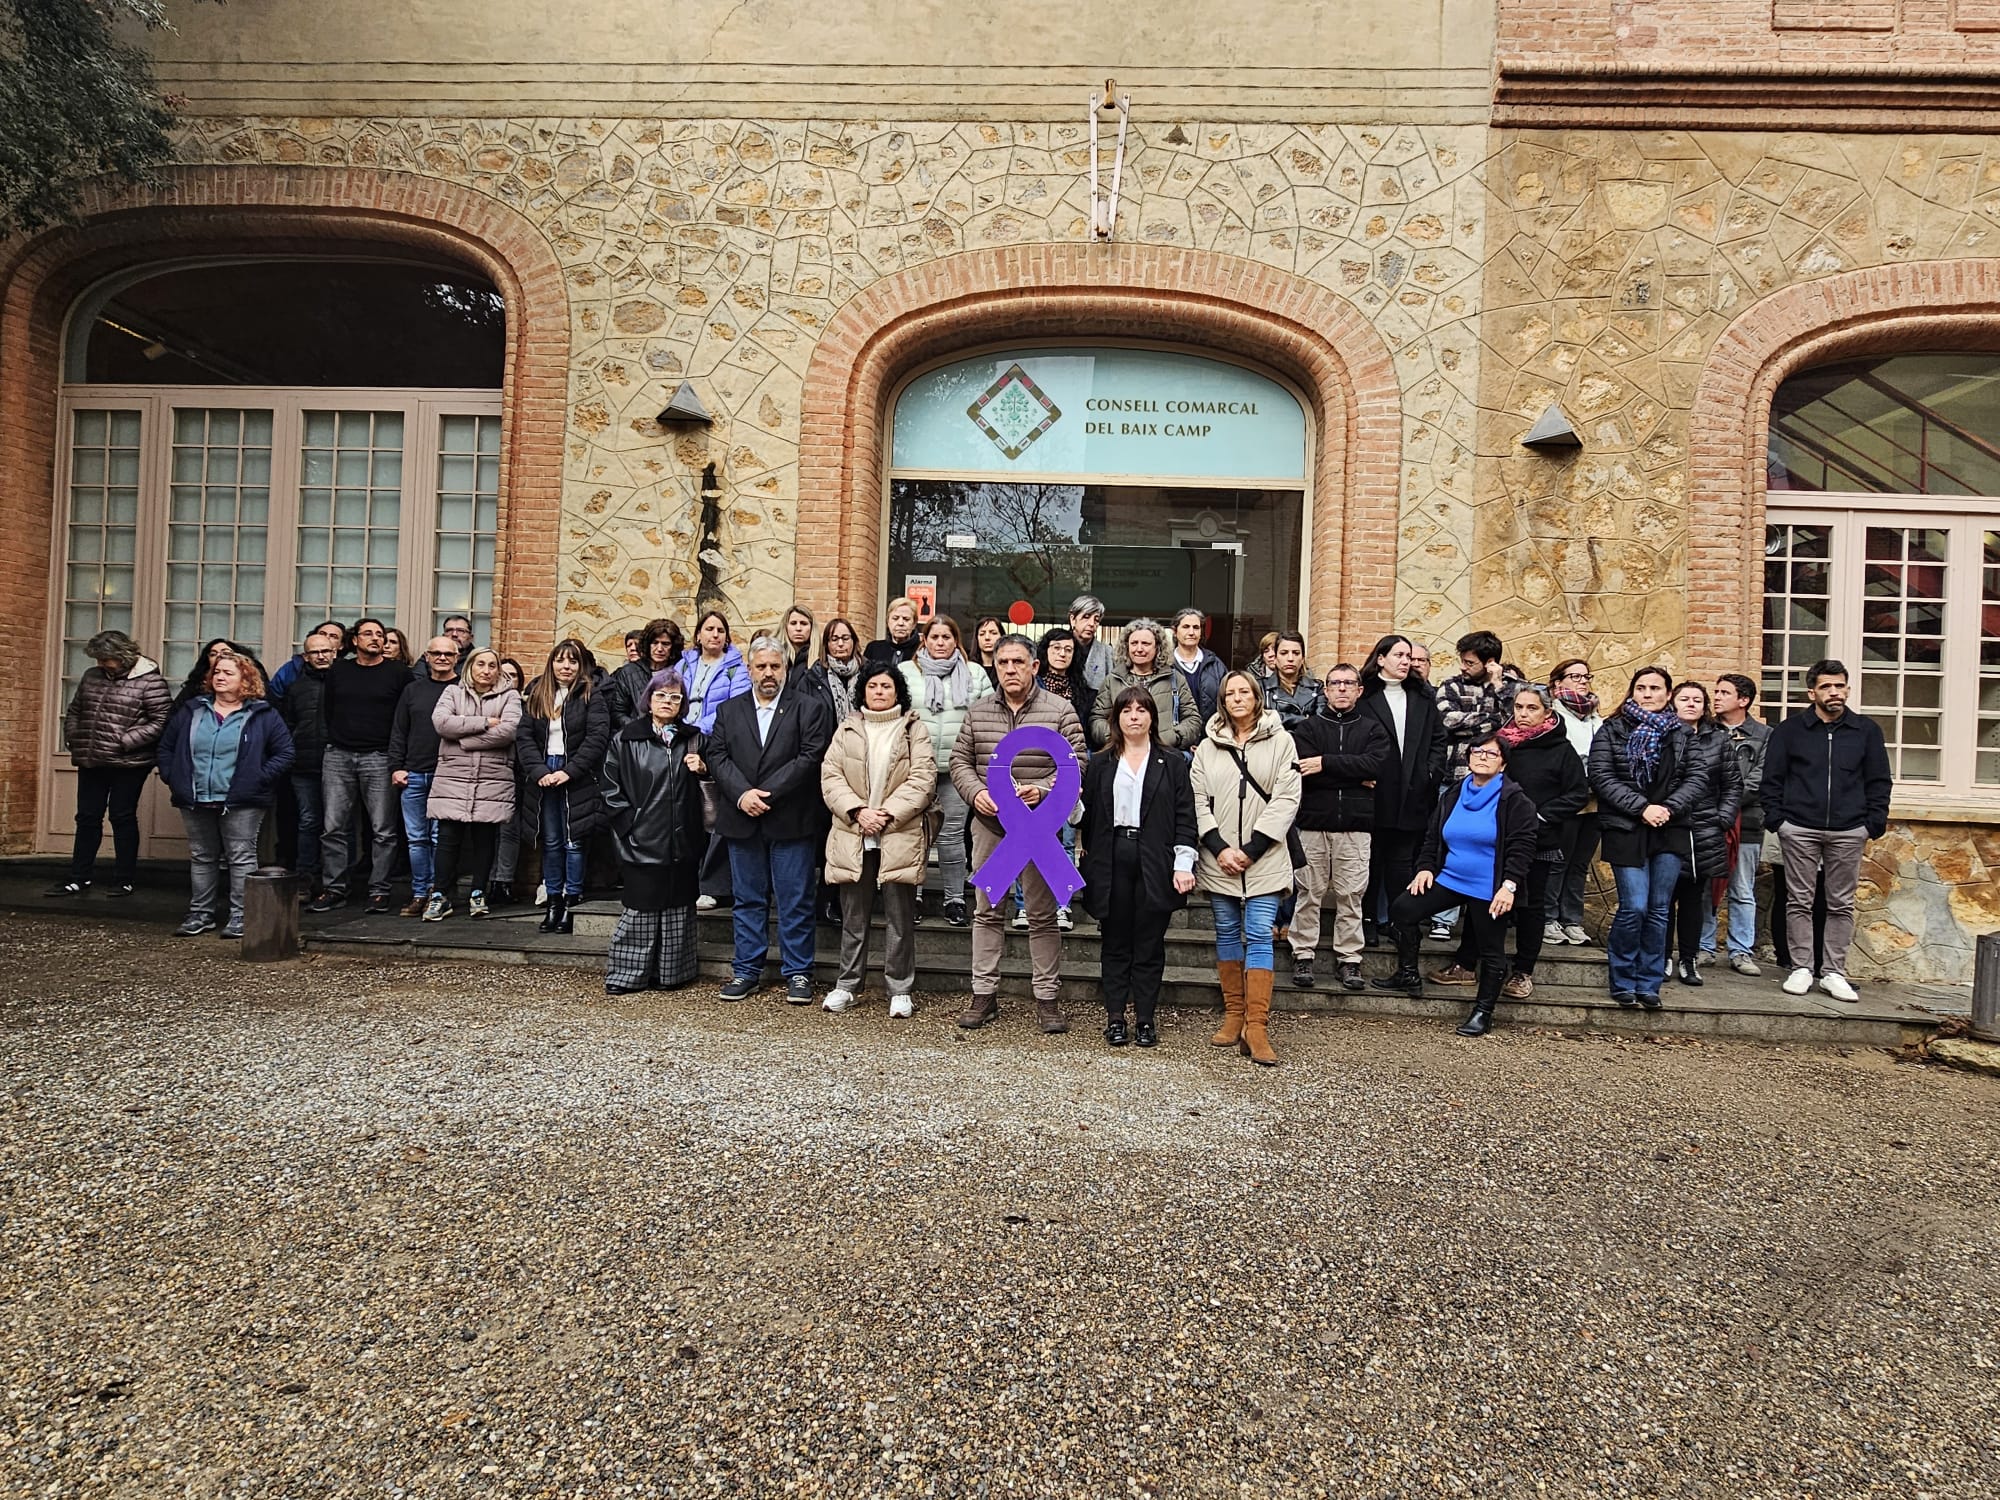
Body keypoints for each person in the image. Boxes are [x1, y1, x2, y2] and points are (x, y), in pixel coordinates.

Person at [950, 633, 1088, 1033]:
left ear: (1034, 667)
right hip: (992, 825)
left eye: (1017, 662)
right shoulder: (977, 712)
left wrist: (1044, 790)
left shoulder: (1060, 710)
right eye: (1002, 663)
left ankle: (1046, 1000)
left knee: (1043, 916)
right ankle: (984, 995)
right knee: (987, 912)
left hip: (1040, 828)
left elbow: (1077, 761)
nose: (1010, 669)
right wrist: (976, 794)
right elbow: (960, 760)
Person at [1386, 732, 1539, 1036]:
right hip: (1451, 877)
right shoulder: (1455, 793)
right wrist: (1426, 868)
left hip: (1490, 886)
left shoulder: (1514, 799)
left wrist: (1509, 887)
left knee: (1491, 949)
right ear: (1468, 758)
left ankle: (1483, 1012)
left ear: (1504, 764)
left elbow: (1523, 847)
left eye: (1491, 754)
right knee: (1403, 909)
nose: (1482, 757)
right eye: (1477, 751)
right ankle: (1407, 974)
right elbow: (1433, 836)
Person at [1762, 659, 1892, 1003]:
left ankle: (1834, 972)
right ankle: (1801, 967)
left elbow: (1879, 781)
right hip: (1799, 827)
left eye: (1840, 685)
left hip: (1850, 830)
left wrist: (1872, 824)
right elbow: (1771, 779)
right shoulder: (1790, 731)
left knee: (1840, 904)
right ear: (1812, 692)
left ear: (1847, 689)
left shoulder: (1866, 731)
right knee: (1799, 901)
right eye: (1826, 686)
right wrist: (1779, 821)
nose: (1834, 692)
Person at [710, 636, 831, 1002]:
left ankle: (798, 972)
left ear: (784, 669)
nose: (768, 673)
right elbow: (716, 755)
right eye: (761, 666)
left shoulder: (808, 708)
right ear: (749, 669)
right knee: (747, 899)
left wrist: (767, 794)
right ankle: (747, 970)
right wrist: (743, 794)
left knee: (795, 899)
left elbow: (810, 757)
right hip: (741, 817)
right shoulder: (729, 711)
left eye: (775, 666)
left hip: (790, 818)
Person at [1191, 670, 1301, 1066]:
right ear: (1222, 700)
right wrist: (1219, 847)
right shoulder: (1207, 746)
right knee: (1225, 930)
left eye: (1244, 692)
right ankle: (1233, 1014)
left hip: (1266, 857)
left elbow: (1288, 798)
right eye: (1230, 693)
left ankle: (1256, 1025)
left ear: (1257, 697)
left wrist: (1252, 849)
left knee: (1258, 933)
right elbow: (1198, 800)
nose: (1237, 698)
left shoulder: (1283, 741)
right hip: (1219, 858)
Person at [1080, 686, 1198, 1047]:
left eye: (1141, 709)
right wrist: (1067, 798)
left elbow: (1185, 817)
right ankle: (1115, 1017)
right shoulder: (1099, 763)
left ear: (1152, 716)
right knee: (1115, 942)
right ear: (1116, 718)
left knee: (1149, 944)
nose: (1134, 715)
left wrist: (1183, 865)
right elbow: (1084, 816)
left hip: (1155, 860)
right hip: (1111, 856)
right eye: (1127, 710)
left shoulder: (1173, 762)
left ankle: (1145, 1018)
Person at [819, 660, 935, 1017]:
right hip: (854, 834)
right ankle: (847, 984)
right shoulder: (848, 729)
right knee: (854, 916)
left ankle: (899, 987)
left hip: (898, 833)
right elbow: (831, 776)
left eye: (886, 686)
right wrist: (858, 812)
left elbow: (923, 778)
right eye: (873, 686)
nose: (879, 692)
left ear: (897, 690)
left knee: (900, 918)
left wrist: (886, 814)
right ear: (863, 691)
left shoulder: (914, 729)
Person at [1462, 683, 1588, 1000]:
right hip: (1495, 839)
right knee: (1482, 898)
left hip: (1538, 840)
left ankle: (1522, 972)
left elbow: (1577, 793)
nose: (1523, 714)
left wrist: (1541, 816)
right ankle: (1465, 964)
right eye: (1519, 707)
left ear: (1547, 712)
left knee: (1531, 907)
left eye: (1532, 708)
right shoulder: (1503, 745)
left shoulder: (1561, 750)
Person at [155, 652, 294, 939]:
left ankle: (241, 917)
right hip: (195, 796)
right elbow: (166, 748)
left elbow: (285, 752)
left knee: (241, 857)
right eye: (217, 671)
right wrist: (173, 776)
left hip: (242, 799)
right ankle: (200, 915)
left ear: (246, 679)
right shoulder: (193, 710)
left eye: (228, 673)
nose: (219, 677)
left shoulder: (262, 714)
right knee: (202, 856)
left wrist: (257, 778)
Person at [1588, 666, 1702, 1011]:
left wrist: (1667, 808)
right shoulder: (1613, 729)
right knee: (1634, 905)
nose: (1647, 693)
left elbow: (1698, 777)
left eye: (1655, 688)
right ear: (1632, 692)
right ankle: (1622, 979)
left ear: (1668, 695)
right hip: (1627, 828)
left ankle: (1649, 983)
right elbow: (1601, 775)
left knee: (1658, 909)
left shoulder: (1682, 733)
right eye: (1641, 687)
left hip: (1671, 828)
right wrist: (1642, 808)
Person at [599, 669, 710, 992]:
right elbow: (609, 787)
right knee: (640, 911)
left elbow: (712, 784)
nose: (667, 702)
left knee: (678, 910)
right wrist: (629, 825)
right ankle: (627, 976)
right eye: (661, 695)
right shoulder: (626, 738)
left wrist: (703, 768)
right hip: (641, 839)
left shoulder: (694, 739)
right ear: (649, 699)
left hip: (683, 838)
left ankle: (672, 974)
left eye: (675, 697)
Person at [1286, 662, 1390, 991]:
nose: (1342, 688)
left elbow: (1376, 764)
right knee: (1309, 893)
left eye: (1348, 683)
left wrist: (1326, 763)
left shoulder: (1373, 730)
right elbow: (1303, 769)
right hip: (1314, 823)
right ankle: (1303, 954)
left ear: (1359, 690)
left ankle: (1350, 960)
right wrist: (1356, 776)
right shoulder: (1308, 729)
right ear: (1326, 689)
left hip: (1356, 827)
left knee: (1351, 895)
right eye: (1335, 683)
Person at [48, 629, 172, 898]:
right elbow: (76, 710)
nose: (101, 664)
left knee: (122, 816)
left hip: (129, 762)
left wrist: (125, 741)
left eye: (106, 659)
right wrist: (73, 735)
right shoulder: (92, 677)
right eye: (99, 659)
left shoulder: (150, 682)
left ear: (123, 655)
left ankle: (124, 878)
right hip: (92, 759)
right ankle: (79, 877)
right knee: (87, 818)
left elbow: (161, 721)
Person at [899, 614, 993, 927]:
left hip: (958, 769)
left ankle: (954, 900)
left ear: (956, 641)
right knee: (916, 835)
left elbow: (988, 719)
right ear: (923, 640)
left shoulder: (975, 673)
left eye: (947, 637)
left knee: (951, 837)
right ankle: (914, 896)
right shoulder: (905, 672)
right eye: (934, 637)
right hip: (916, 768)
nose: (941, 643)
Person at [1357, 635, 1446, 961]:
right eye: (1398, 654)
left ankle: (1398, 921)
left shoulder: (1423, 697)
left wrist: (1430, 774)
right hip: (1374, 794)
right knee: (1370, 862)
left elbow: (1439, 741)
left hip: (1413, 794)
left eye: (1409, 656)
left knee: (1401, 866)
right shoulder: (1364, 695)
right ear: (1380, 658)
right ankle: (1367, 921)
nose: (1405, 661)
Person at [515, 639, 612, 935]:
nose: (566, 667)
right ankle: (553, 901)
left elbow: (597, 737)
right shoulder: (537, 694)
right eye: (560, 660)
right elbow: (524, 737)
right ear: (551, 663)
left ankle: (572, 900)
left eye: (572, 661)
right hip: (544, 773)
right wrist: (539, 770)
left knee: (574, 842)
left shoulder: (590, 696)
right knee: (552, 842)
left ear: (580, 666)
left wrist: (570, 771)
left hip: (576, 776)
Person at [309, 618, 405, 914]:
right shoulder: (339, 670)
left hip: (379, 757)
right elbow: (327, 711)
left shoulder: (398, 674)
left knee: (383, 829)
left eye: (380, 634)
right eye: (368, 634)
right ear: (354, 641)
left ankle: (379, 890)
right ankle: (334, 887)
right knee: (333, 826)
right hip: (339, 755)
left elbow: (404, 719)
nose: (375, 639)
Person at [423, 647, 522, 921]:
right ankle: (441, 895)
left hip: (492, 779)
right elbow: (442, 723)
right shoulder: (453, 693)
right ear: (470, 667)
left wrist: (465, 738)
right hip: (453, 778)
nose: (486, 670)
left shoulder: (510, 696)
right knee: (447, 838)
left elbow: (509, 731)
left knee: (484, 839)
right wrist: (483, 722)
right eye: (481, 664)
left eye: (492, 665)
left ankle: (478, 892)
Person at [1661, 682, 1742, 986]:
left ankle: (1689, 959)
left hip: (1706, 829)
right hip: (1669, 826)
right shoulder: (1663, 736)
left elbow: (1733, 785)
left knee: (1695, 899)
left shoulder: (1719, 740)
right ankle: (1663, 957)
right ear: (1673, 702)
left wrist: (1722, 818)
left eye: (1698, 700)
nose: (1691, 704)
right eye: (1685, 699)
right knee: (1664, 898)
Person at [680, 609, 751, 909]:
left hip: (715, 741)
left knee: (714, 814)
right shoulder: (683, 664)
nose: (715, 634)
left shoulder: (737, 667)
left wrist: (697, 726)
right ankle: (686, 882)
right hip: (682, 739)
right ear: (698, 635)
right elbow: (670, 694)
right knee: (685, 812)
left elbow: (735, 705)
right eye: (709, 629)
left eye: (720, 630)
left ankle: (712, 885)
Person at [387, 636, 463, 916]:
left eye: (448, 654)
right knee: (416, 838)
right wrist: (396, 766)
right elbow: (398, 731)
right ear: (427, 657)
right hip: (414, 772)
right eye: (436, 653)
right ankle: (420, 893)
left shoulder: (463, 690)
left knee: (439, 838)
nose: (442, 658)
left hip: (449, 773)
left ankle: (439, 893)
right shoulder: (412, 690)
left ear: (457, 658)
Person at [1711, 673, 1771, 976]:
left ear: (1743, 700)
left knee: (1742, 888)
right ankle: (1704, 946)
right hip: (1709, 823)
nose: (1716, 697)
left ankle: (1740, 950)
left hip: (1747, 823)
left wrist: (1726, 800)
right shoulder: (1707, 731)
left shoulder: (1764, 735)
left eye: (1724, 692)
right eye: (1716, 691)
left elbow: (1760, 780)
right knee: (1707, 886)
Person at [1544, 658, 1602, 947]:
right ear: (1558, 683)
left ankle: (1572, 919)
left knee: (1579, 864)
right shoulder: (1552, 717)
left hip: (1593, 803)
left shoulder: (1596, 718)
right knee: (1558, 861)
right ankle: (1548, 918)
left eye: (1586, 676)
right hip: (1565, 800)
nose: (1582, 681)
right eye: (1574, 676)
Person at [277, 630, 338, 899]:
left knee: (337, 824)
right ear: (306, 656)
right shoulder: (296, 687)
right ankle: (305, 878)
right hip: (303, 764)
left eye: (326, 650)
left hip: (339, 762)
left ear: (335, 652)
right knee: (308, 821)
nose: (322, 656)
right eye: (315, 652)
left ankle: (335, 880)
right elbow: (286, 723)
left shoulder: (344, 683)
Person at [1090, 616, 1202, 752]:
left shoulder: (1175, 679)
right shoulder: (1113, 679)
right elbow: (1097, 719)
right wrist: (1117, 737)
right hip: (1122, 755)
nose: (1139, 649)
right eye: (1134, 643)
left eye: (1145, 643)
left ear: (1158, 647)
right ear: (1126, 646)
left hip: (1163, 756)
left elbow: (1193, 719)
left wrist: (1172, 738)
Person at [1436, 630, 1507, 783]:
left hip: (1497, 779)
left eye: (1469, 663)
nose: (1462, 667)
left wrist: (1499, 687)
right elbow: (1447, 721)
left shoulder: (1509, 687)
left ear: (1489, 662)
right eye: (1462, 661)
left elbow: (1513, 723)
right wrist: (1494, 722)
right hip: (1454, 774)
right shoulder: (1452, 685)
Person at [607, 618, 685, 727]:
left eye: (665, 644)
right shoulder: (629, 672)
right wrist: (640, 729)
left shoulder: (680, 670)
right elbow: (618, 712)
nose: (659, 649)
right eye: (655, 643)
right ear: (647, 645)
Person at [801, 617, 863, 728]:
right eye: (834, 639)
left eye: (845, 638)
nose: (840, 644)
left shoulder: (868, 672)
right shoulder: (813, 677)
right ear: (827, 644)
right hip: (826, 743)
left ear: (854, 641)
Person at [1168, 607, 1225, 727]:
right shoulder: (1164, 665)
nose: (1191, 632)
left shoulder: (1215, 664)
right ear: (1174, 631)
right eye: (1185, 627)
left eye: (1196, 627)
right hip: (1175, 740)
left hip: (1210, 737)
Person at [1262, 631, 1325, 728]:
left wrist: (1278, 717)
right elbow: (1261, 719)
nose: (1290, 658)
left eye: (1296, 653)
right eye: (1284, 653)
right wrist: (1305, 719)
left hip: (1307, 741)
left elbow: (1321, 723)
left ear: (1303, 658)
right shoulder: (1261, 687)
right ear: (1275, 658)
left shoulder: (1317, 688)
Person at [1067, 594, 1112, 692]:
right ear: (1072, 619)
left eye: (1096, 620)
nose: (1092, 624)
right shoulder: (1058, 648)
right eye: (1086, 617)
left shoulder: (1108, 652)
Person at [865, 596, 923, 665]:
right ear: (887, 621)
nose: (900, 623)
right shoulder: (874, 648)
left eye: (906, 619)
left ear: (914, 624)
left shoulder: (922, 650)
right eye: (895, 618)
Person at [972, 616, 1005, 688]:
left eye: (993, 633)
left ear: (1001, 636)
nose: (987, 637)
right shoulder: (969, 667)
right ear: (977, 638)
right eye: (982, 634)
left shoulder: (1008, 667)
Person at [782, 604, 816, 671]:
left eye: (803, 623)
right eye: (793, 623)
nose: (798, 628)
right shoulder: (775, 655)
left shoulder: (820, 659)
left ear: (812, 627)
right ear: (786, 626)